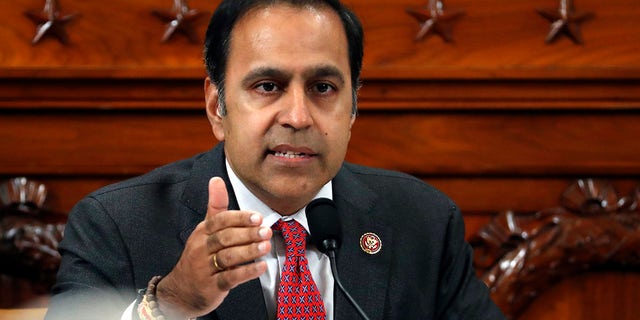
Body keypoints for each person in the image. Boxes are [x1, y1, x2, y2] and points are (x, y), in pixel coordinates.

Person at [46, 0, 506, 319]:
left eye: (324, 88)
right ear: (216, 106)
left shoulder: (422, 221)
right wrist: (170, 303)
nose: (298, 116)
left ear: (353, 107)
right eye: (268, 86)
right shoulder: (116, 224)